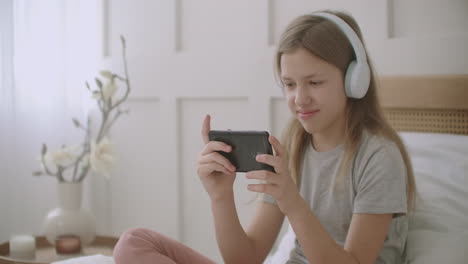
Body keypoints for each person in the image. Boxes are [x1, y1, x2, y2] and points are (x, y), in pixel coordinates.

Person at [113, 10, 415, 264]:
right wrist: (221, 196)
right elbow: (245, 258)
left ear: (354, 80)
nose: (300, 98)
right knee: (133, 243)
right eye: (289, 84)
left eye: (314, 82)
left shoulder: (379, 157)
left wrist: (292, 203)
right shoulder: (293, 148)